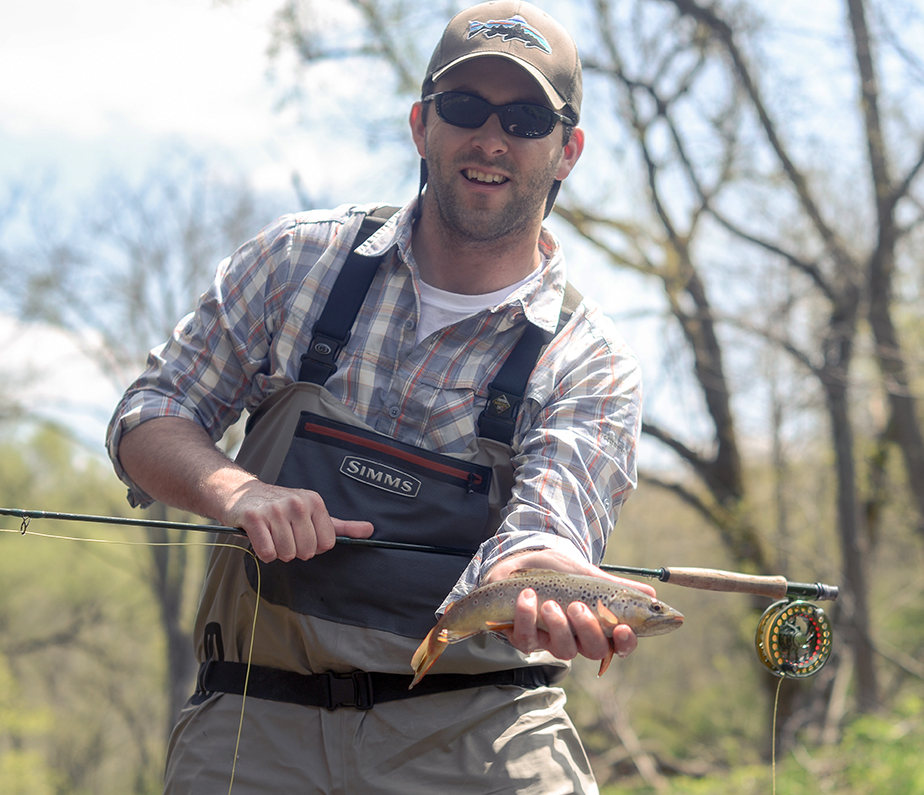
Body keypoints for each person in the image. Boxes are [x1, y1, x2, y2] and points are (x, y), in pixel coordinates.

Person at [105, 2, 649, 792]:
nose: (492, 139)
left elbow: (551, 524)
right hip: (258, 722)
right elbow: (147, 414)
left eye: (527, 118)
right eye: (465, 108)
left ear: (567, 151)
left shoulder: (590, 360)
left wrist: (539, 570)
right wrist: (238, 489)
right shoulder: (297, 263)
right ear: (421, 123)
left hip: (480, 730)